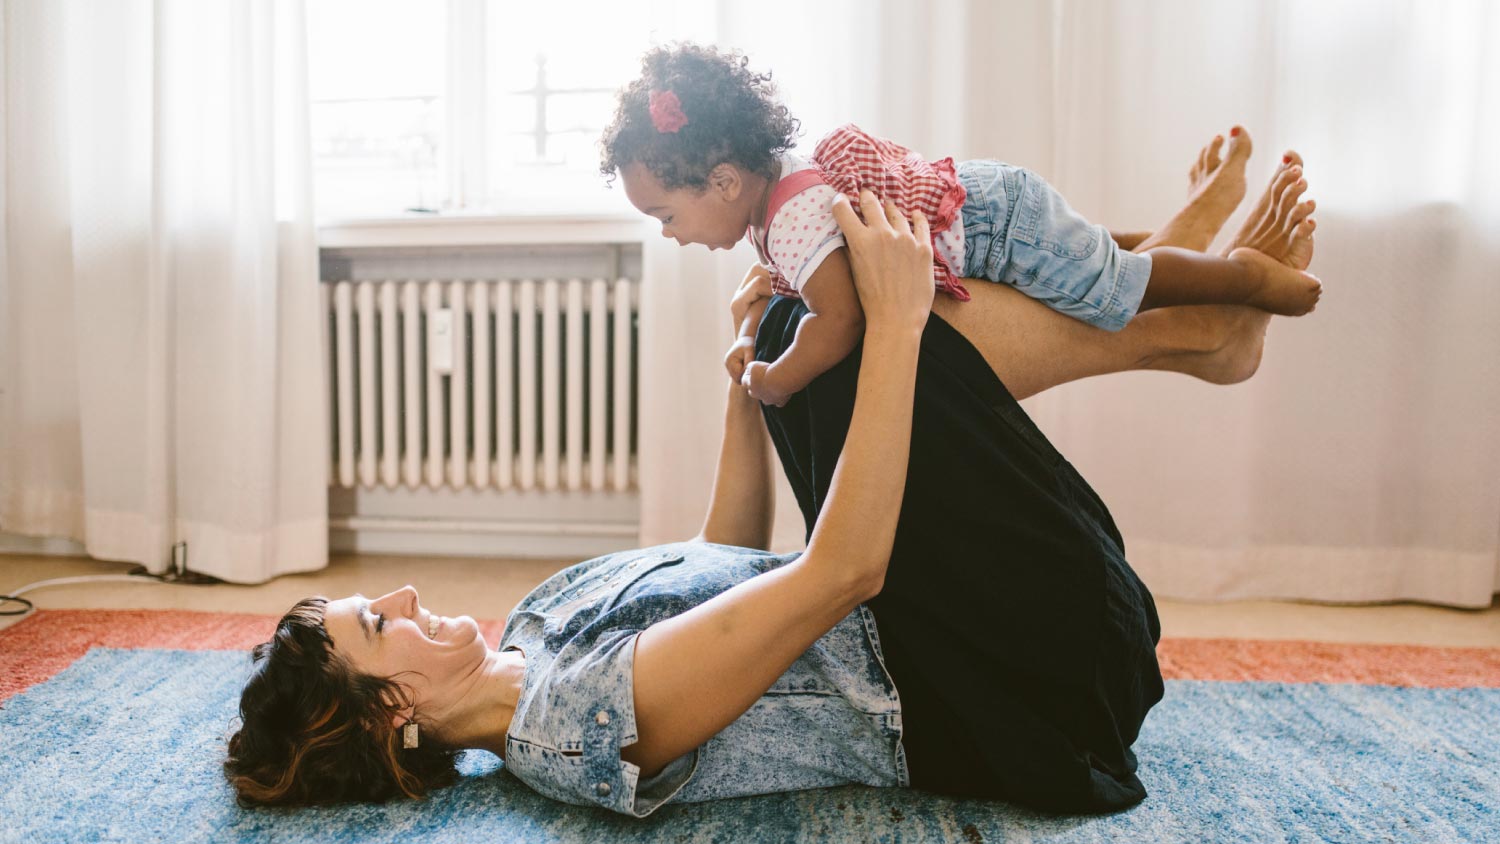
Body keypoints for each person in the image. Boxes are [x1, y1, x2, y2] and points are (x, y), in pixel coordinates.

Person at [225, 135, 1317, 813]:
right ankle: (1180, 319)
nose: (407, 597)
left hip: (957, 619)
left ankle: (1171, 308)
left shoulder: (536, 625)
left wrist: (745, 386)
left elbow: (723, 555)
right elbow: (841, 570)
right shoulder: (571, 723)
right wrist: (885, 329)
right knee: (848, 324)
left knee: (804, 330)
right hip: (1034, 685)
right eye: (383, 625)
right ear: (391, 715)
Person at [599, 44, 1319, 406]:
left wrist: (779, 375)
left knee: (1114, 291)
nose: (670, 234)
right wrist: (756, 327)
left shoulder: (785, 220)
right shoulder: (775, 195)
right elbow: (806, 284)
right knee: (1093, 262)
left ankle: (1244, 280)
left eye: (666, 215)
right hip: (987, 205)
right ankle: (1176, 234)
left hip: (998, 228)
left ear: (724, 182)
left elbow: (841, 317)